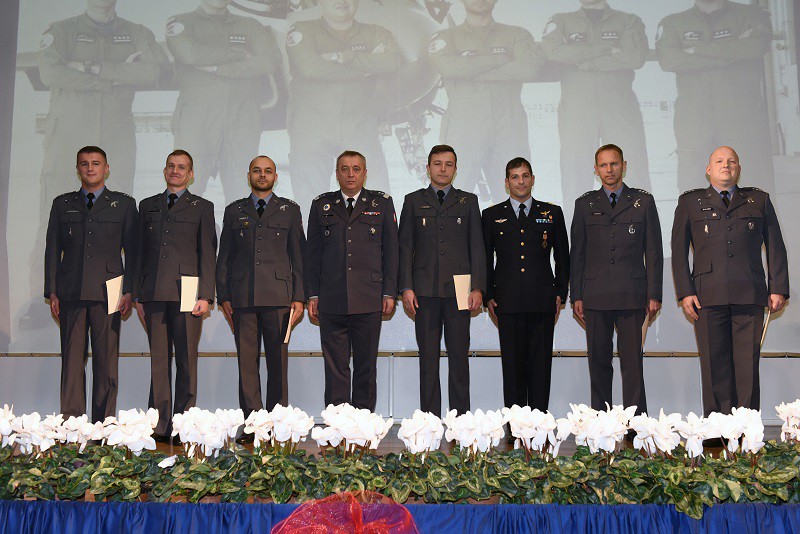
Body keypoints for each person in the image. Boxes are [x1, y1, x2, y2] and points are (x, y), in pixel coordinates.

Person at [23, 0, 165, 330]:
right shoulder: (60, 31)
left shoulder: (138, 33)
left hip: (116, 138)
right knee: (51, 221)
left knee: (117, 227)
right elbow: (51, 71)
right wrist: (113, 77)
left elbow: (152, 70)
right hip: (67, 141)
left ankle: (114, 302)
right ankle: (38, 300)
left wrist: (91, 69)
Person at [671, 146, 788, 420]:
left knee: (747, 365)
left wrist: (778, 287)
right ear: (708, 169)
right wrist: (685, 292)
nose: (727, 165)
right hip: (706, 297)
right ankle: (716, 430)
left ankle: (746, 429)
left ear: (739, 168)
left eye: (732, 161)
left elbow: (775, 245)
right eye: (720, 161)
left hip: (749, 294)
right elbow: (678, 251)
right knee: (714, 366)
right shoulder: (690, 202)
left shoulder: (758, 200)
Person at [44, 146, 137, 422]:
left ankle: (103, 424)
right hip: (70, 290)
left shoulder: (124, 204)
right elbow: (52, 250)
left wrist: (130, 290)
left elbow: (133, 251)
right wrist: (52, 291)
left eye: (96, 163)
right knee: (72, 361)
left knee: (106, 361)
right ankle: (73, 425)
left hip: (110, 291)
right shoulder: (62, 204)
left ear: (106, 168)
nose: (90, 168)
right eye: (84, 164)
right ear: (78, 169)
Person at [216, 156, 305, 440]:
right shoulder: (233, 211)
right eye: (257, 170)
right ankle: (253, 424)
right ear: (249, 175)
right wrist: (223, 296)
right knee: (247, 364)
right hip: (242, 299)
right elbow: (224, 259)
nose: (262, 175)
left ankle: (277, 425)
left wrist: (300, 297)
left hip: (280, 298)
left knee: (278, 365)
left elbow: (298, 257)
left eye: (268, 171)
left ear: (275, 177)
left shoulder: (289, 210)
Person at [570, 144, 662, 416]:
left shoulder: (643, 201)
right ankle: (600, 421)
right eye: (603, 165)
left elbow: (654, 252)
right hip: (595, 296)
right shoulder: (584, 204)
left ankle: (636, 424)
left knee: (632, 363)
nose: (609, 170)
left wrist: (654, 293)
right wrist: (577, 295)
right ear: (596, 169)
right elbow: (578, 254)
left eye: (614, 164)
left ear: (624, 165)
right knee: (598, 362)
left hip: (632, 293)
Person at [285, 0, 402, 212]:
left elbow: (391, 62)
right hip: (312, 126)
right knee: (310, 205)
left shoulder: (376, 33)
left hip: (358, 125)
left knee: (376, 202)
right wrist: (366, 68)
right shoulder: (303, 30)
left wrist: (343, 57)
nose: (341, 2)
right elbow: (310, 68)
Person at [304, 151, 399, 411]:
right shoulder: (321, 205)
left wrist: (389, 292)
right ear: (336, 174)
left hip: (369, 298)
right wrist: (312, 294)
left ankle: (363, 429)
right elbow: (311, 254)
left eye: (356, 169)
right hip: (331, 298)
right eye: (344, 169)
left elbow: (392, 251)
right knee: (335, 369)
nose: (350, 174)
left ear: (365, 173)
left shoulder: (382, 203)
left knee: (366, 368)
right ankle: (338, 427)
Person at [133, 150, 217, 442]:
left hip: (189, 293)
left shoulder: (203, 207)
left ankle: (183, 424)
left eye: (182, 167)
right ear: (164, 170)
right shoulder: (147, 206)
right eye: (171, 166)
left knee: (186, 359)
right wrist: (137, 295)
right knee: (158, 360)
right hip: (154, 293)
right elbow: (139, 253)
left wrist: (206, 295)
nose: (176, 171)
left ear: (190, 174)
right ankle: (158, 424)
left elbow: (208, 253)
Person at [398, 145, 485, 417]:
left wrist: (478, 288)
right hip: (423, 289)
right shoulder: (413, 201)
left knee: (459, 359)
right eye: (437, 163)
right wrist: (406, 287)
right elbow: (404, 248)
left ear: (455, 169)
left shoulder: (468, 201)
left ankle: (462, 424)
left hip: (460, 289)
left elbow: (477, 248)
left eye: (449, 164)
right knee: (428, 360)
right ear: (428, 168)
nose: (443, 169)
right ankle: (430, 423)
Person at [428, 0, 544, 202]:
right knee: (453, 201)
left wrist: (470, 70)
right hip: (464, 128)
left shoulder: (517, 35)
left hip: (509, 126)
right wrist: (500, 60)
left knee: (517, 202)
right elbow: (447, 67)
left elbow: (529, 68)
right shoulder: (445, 38)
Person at [166, 0, 282, 203]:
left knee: (242, 197)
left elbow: (270, 60)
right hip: (197, 122)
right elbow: (189, 54)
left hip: (242, 120)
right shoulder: (182, 23)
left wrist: (218, 68)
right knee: (184, 196)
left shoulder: (251, 26)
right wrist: (239, 55)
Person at [541, 0, 651, 212]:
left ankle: (640, 233)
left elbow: (635, 56)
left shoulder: (629, 21)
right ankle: (576, 236)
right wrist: (608, 49)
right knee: (575, 175)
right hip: (577, 111)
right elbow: (553, 52)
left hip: (620, 110)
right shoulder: (561, 21)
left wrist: (587, 61)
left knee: (633, 170)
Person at [656, 0, 775, 196]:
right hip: (694, 122)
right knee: (693, 188)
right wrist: (730, 53)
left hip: (742, 120)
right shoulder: (673, 23)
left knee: (753, 186)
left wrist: (697, 50)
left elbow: (754, 46)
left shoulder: (751, 15)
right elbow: (669, 60)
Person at [482, 157, 569, 413]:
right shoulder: (491, 215)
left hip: (542, 300)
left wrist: (561, 293)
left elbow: (563, 257)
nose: (521, 181)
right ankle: (515, 426)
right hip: (506, 302)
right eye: (515, 177)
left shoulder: (551, 213)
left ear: (533, 179)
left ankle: (539, 423)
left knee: (541, 367)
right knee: (512, 367)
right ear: (506, 183)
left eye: (525, 176)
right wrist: (488, 294)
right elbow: (485, 260)